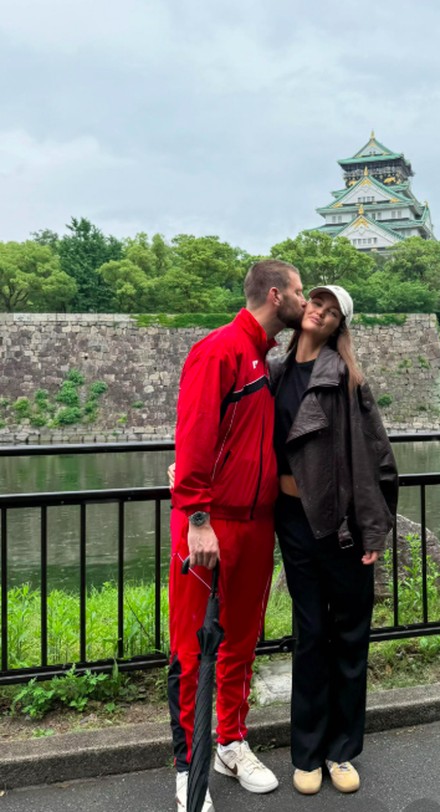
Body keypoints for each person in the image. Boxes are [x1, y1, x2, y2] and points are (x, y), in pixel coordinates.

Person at [168, 258, 306, 811]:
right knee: (192, 647)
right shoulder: (220, 349)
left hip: (256, 523)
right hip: (210, 524)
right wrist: (197, 518)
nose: (303, 299)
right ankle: (188, 768)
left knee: (241, 642)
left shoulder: (265, 360)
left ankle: (229, 740)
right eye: (298, 290)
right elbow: (194, 435)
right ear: (276, 295)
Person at [270, 285, 398, 795]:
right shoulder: (275, 374)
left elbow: (374, 459)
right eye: (314, 302)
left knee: (348, 637)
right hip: (293, 522)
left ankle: (341, 751)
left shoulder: (344, 377)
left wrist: (373, 527)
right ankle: (306, 752)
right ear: (303, 308)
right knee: (309, 635)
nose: (318, 310)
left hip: (342, 527)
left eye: (329, 310)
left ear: (338, 325)